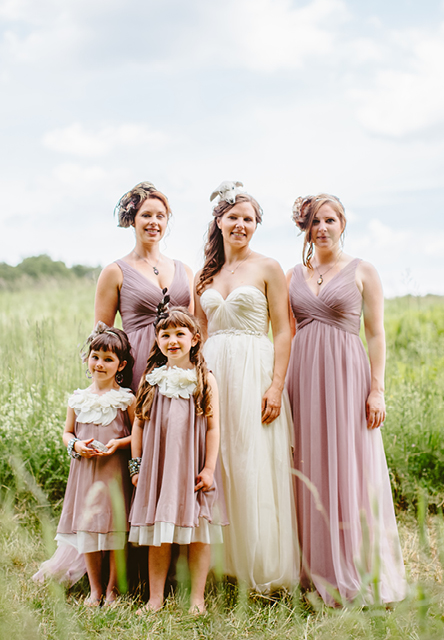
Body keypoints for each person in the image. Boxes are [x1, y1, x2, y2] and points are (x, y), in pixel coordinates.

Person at [285, 194, 406, 605]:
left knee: (348, 464)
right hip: (301, 375)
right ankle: (311, 567)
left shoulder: (362, 271)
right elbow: (283, 333)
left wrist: (377, 389)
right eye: (315, 221)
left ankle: (352, 566)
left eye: (330, 220)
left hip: (346, 375)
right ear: (306, 227)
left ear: (343, 223)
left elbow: (376, 334)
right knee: (306, 464)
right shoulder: (292, 275)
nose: (322, 228)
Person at [195, 181, 299, 592]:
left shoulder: (268, 267)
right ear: (218, 221)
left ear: (256, 225)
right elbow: (197, 332)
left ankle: (261, 564)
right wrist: (197, 381)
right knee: (221, 461)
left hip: (254, 370)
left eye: (249, 219)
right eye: (233, 217)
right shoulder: (206, 273)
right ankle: (222, 563)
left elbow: (283, 331)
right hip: (214, 373)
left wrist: (276, 386)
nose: (241, 224)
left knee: (254, 461)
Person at [129, 306, 225, 614]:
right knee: (160, 532)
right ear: (156, 341)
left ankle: (197, 598)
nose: (172, 340)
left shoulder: (205, 380)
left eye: (180, 334)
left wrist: (209, 468)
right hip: (158, 468)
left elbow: (212, 426)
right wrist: (137, 465)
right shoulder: (151, 379)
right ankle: (155, 598)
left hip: (192, 467)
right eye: (165, 335)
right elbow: (139, 424)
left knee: (198, 531)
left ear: (195, 339)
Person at [32, 324, 135, 605]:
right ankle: (95, 589)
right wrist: (75, 445)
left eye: (108, 359)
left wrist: (120, 444)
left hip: (114, 473)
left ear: (121, 365)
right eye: (95, 356)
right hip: (85, 473)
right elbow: (67, 432)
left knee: (115, 529)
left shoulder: (126, 399)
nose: (100, 364)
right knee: (87, 527)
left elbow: (138, 435)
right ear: (88, 359)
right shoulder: (77, 398)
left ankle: (114, 589)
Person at [95, 181, 194, 384]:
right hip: (138, 365)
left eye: (160, 216)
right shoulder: (114, 272)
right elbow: (103, 337)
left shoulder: (184, 270)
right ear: (133, 220)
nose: (154, 222)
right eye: (146, 215)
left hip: (181, 366)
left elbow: (193, 327)